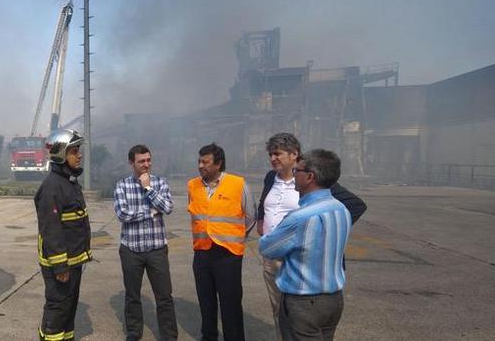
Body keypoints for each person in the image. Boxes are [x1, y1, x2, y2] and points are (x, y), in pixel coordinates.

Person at [255, 133, 366, 338]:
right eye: (270, 154)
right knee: (279, 312)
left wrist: (319, 234)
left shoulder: (305, 211)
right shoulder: (337, 209)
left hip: (301, 278)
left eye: (277, 154)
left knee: (296, 323)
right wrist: (261, 219)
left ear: (294, 156)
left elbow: (267, 247)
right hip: (328, 294)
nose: (272, 159)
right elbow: (264, 203)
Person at [187, 143, 254, 341]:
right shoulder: (193, 185)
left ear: (219, 164)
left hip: (228, 254)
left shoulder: (238, 184)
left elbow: (250, 216)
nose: (200, 165)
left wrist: (232, 237)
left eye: (205, 162)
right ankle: (208, 336)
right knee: (206, 301)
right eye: (199, 161)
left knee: (230, 303)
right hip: (202, 253)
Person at [113, 144, 178, 341]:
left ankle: (169, 336)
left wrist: (148, 188)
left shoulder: (160, 183)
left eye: (148, 160)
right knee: (132, 295)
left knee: (164, 296)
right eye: (141, 161)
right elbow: (122, 214)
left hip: (157, 249)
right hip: (131, 249)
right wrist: (150, 212)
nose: (146, 164)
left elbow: (167, 207)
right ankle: (134, 333)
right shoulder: (122, 185)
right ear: (131, 163)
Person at [34, 129, 92, 341]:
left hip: (73, 261)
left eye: (79, 150)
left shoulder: (68, 181)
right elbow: (51, 229)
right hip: (60, 265)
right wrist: (60, 266)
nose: (79, 155)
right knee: (58, 310)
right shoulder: (52, 187)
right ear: (60, 154)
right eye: (74, 151)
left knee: (68, 308)